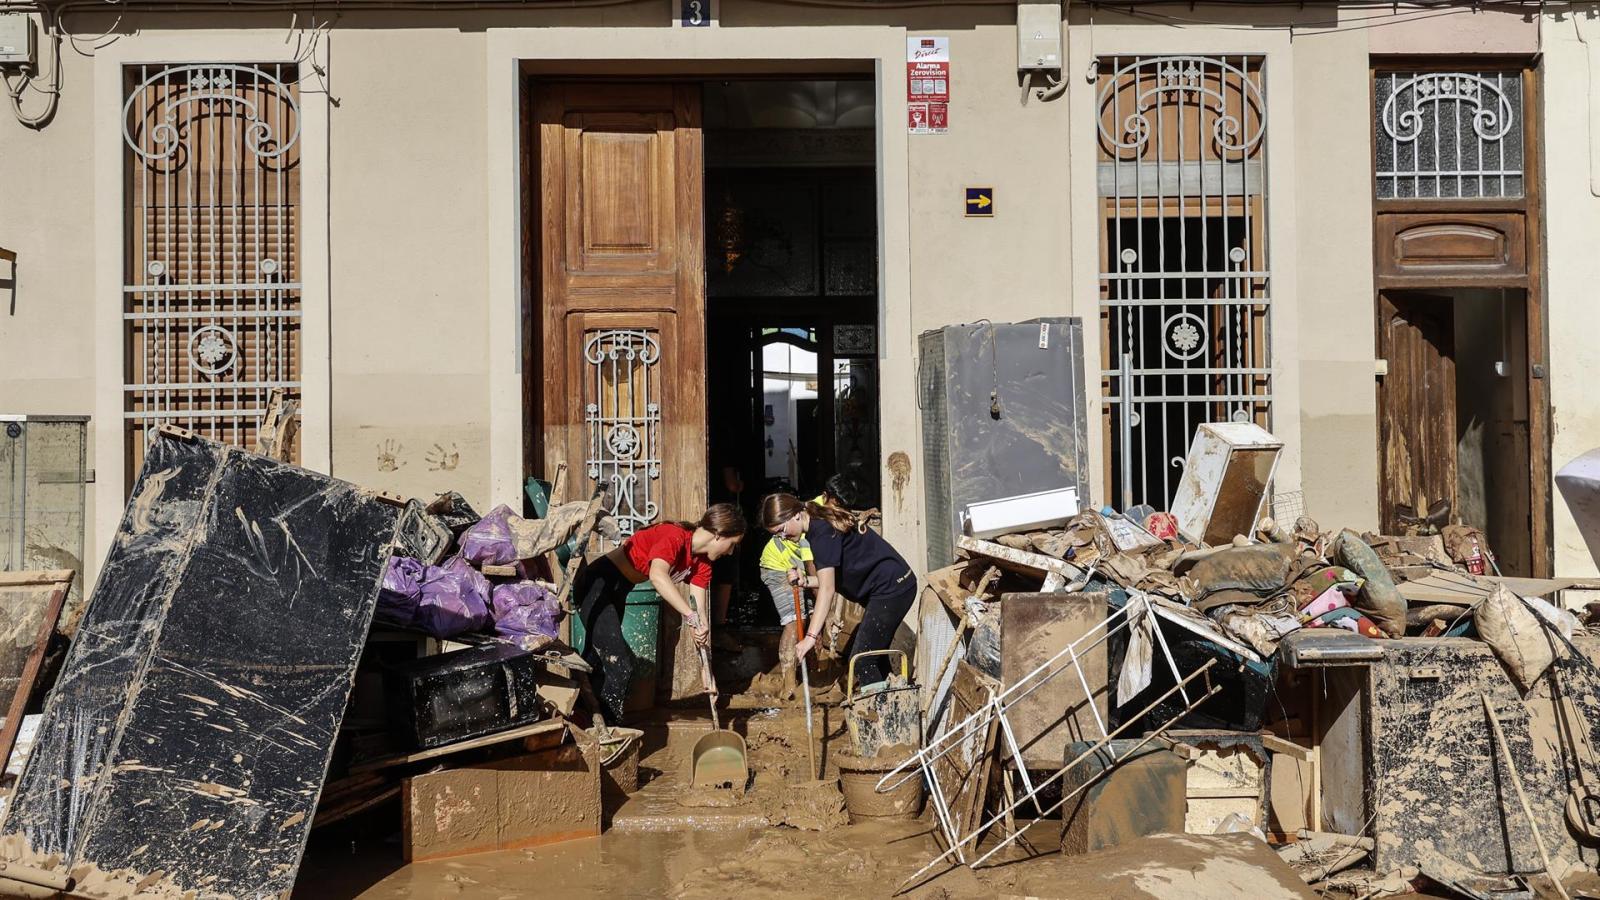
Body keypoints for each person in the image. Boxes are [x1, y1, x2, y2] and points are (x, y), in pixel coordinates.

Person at [573, 504, 746, 724]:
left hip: (619, 591)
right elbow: (658, 576)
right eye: (732, 545)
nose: (730, 552)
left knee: (595, 662)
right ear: (720, 535)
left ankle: (583, 725)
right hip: (596, 585)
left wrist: (706, 669)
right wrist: (690, 616)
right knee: (619, 665)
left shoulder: (703, 564)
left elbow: (698, 616)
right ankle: (609, 735)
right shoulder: (674, 536)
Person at [760, 493, 916, 687]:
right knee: (873, 656)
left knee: (861, 661)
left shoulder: (821, 533)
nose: (783, 537)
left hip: (893, 588)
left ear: (796, 515)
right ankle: (892, 704)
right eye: (777, 535)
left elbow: (827, 589)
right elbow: (828, 579)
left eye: (782, 530)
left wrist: (810, 638)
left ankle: (882, 713)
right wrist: (805, 581)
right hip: (889, 587)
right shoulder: (816, 525)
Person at [757, 521, 817, 700]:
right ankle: (789, 684)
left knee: (814, 619)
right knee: (794, 622)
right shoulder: (808, 532)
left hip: (800, 570)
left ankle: (813, 676)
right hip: (778, 566)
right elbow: (811, 567)